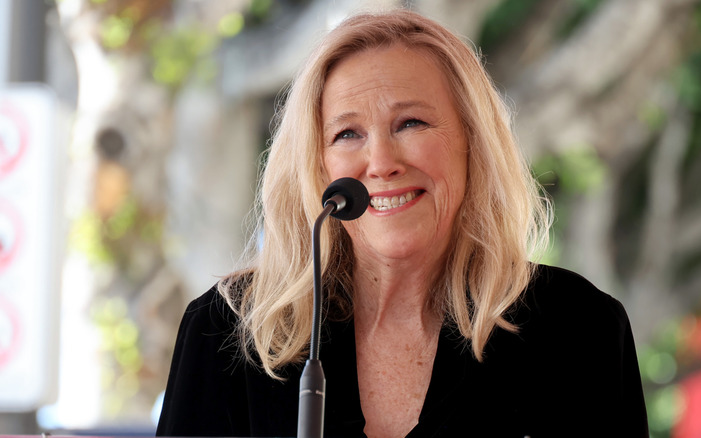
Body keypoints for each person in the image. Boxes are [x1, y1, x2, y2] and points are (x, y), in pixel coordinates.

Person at [156, 9, 648, 438]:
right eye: (347, 133)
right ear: (317, 165)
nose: (380, 162)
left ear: (473, 143)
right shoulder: (226, 332)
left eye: (410, 123)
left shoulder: (579, 329)